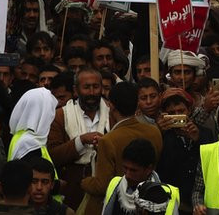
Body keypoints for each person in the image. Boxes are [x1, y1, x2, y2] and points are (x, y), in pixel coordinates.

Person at [81, 82, 163, 215]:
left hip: (119, 207)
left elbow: (102, 186)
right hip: (149, 202)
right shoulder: (154, 131)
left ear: (111, 105)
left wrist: (84, 181)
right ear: (137, 104)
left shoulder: (108, 141)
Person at [48, 68, 111, 210]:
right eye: (87, 87)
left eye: (96, 87)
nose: (92, 92)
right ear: (76, 90)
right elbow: (52, 155)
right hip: (72, 191)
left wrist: (105, 145)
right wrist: (80, 141)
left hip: (104, 189)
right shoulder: (60, 116)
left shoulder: (112, 113)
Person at [103, 139, 169, 215]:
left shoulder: (162, 196)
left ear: (148, 169)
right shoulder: (115, 184)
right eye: (125, 168)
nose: (127, 175)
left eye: (133, 170)